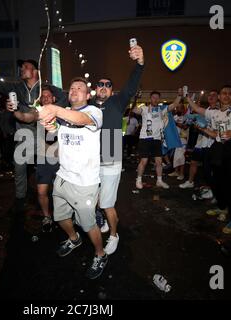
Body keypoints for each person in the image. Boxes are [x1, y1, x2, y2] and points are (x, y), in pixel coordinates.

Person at [0, 45, 67, 208]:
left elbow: (64, 97)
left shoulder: (46, 88)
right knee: (19, 167)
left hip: (46, 138)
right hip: (24, 136)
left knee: (56, 169)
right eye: (21, 68)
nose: (22, 69)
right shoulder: (15, 87)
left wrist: (53, 109)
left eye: (26, 67)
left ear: (35, 71)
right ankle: (20, 199)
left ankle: (59, 198)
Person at [38, 77, 107, 280]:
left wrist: (54, 109)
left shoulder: (94, 112)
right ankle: (74, 239)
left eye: (80, 88)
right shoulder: (64, 113)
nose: (74, 90)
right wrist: (52, 127)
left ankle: (100, 254)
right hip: (63, 177)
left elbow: (81, 120)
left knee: (88, 224)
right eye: (72, 88)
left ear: (87, 95)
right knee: (60, 217)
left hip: (85, 182)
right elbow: (60, 131)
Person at [91, 43, 144, 255]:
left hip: (111, 157)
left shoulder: (117, 101)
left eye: (108, 85)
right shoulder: (88, 106)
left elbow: (131, 85)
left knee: (106, 203)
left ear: (112, 90)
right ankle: (103, 220)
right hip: (91, 159)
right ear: (95, 88)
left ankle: (114, 234)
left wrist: (140, 63)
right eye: (100, 84)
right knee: (93, 199)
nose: (103, 86)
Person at [188, 85, 231, 234]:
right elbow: (214, 132)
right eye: (224, 93)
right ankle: (222, 207)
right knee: (212, 178)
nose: (226, 95)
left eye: (229, 93)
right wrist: (202, 129)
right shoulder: (214, 113)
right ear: (219, 96)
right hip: (218, 147)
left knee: (228, 184)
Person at [6, 86, 60, 232]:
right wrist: (15, 111)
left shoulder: (63, 111)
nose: (46, 97)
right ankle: (47, 217)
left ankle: (63, 217)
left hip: (61, 161)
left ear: (54, 98)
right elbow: (26, 117)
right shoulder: (38, 113)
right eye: (43, 96)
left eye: (49, 95)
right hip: (44, 159)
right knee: (42, 192)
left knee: (60, 193)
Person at [133, 90, 183, 190]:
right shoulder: (144, 109)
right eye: (153, 97)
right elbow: (134, 110)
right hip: (145, 139)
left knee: (159, 162)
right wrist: (136, 99)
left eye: (157, 98)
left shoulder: (162, 109)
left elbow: (174, 105)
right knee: (144, 161)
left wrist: (179, 95)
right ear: (150, 98)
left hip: (157, 139)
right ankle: (138, 180)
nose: (155, 99)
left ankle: (159, 181)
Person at [179, 90, 218, 194]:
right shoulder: (208, 110)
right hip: (202, 141)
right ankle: (190, 181)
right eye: (209, 95)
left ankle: (212, 189)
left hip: (213, 143)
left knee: (210, 169)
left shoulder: (219, 111)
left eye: (214, 95)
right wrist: (187, 96)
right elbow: (195, 108)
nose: (211, 96)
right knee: (193, 162)